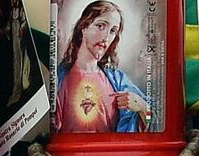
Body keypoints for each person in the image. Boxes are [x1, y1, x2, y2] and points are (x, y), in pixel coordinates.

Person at [58, 0, 151, 132]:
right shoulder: (59, 79)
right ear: (84, 27)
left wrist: (143, 108)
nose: (106, 37)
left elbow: (152, 125)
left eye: (113, 31)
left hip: (110, 152)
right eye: (101, 26)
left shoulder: (118, 81)